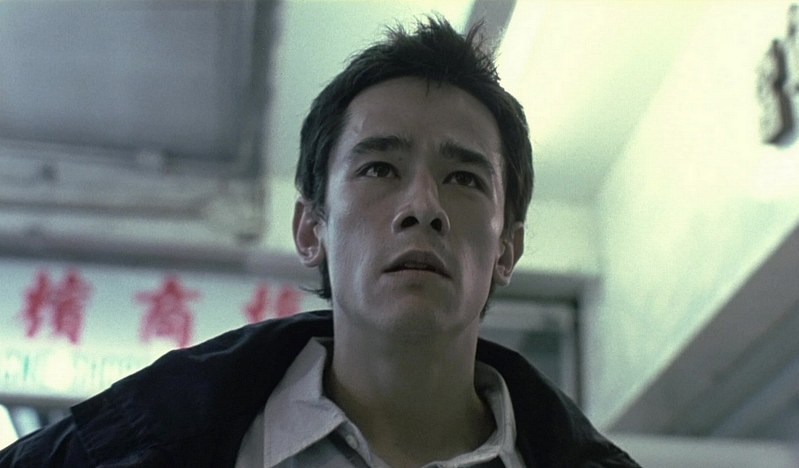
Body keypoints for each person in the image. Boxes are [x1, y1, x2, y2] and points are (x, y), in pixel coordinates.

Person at [0, 16, 640, 468]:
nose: (423, 207)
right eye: (379, 169)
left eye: (465, 179)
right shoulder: (142, 446)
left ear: (507, 249)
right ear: (312, 229)